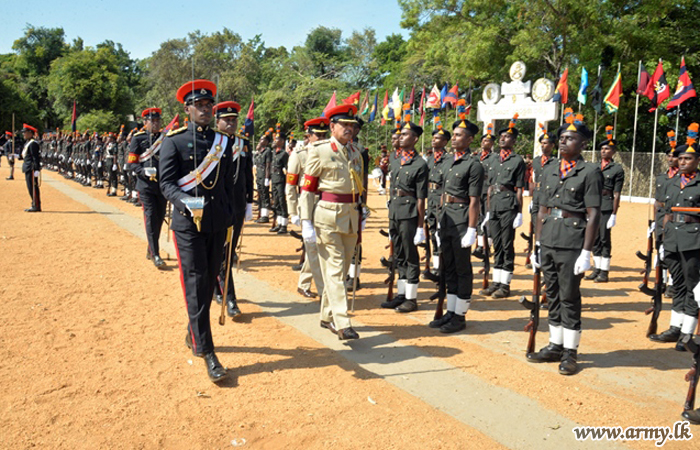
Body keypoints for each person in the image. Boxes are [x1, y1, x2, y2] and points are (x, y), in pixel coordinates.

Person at [159, 79, 236, 383]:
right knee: (196, 281)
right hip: (189, 224)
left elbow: (227, 183)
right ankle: (207, 350)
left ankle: (194, 330)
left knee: (208, 283)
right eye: (199, 106)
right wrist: (187, 202)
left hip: (217, 222)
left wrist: (232, 216)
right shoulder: (173, 141)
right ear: (187, 109)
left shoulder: (223, 142)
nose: (204, 109)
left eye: (208, 106)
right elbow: (166, 184)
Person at [528, 111, 601, 376]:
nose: (562, 142)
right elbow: (541, 209)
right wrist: (536, 245)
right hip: (548, 239)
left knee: (570, 297)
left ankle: (571, 352)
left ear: (582, 144)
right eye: (561, 137)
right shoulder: (548, 169)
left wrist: (586, 252)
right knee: (553, 295)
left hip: (572, 241)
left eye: (570, 138)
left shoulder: (590, 171)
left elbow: (593, 214)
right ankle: (555, 345)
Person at [299, 104, 364, 340]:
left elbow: (358, 184)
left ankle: (326, 316)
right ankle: (342, 321)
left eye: (351, 125)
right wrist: (306, 221)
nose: (349, 129)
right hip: (327, 215)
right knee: (336, 270)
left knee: (343, 268)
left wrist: (362, 211)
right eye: (344, 125)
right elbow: (307, 189)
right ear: (332, 126)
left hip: (351, 216)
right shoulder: (319, 150)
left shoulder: (356, 151)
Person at [429, 116, 483, 333]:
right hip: (447, 217)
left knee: (462, 268)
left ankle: (460, 315)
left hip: (462, 219)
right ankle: (450, 311)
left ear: (469, 139)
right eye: (455, 134)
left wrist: (472, 228)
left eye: (460, 135)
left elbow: (474, 200)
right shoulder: (448, 161)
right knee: (447, 266)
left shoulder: (473, 165)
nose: (454, 138)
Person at [651, 124, 700, 352]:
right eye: (680, 159)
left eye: (688, 159)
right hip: (672, 238)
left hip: (693, 241)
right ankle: (675, 327)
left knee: (692, 285)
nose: (682, 162)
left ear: (697, 161)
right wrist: (660, 241)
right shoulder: (670, 183)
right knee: (677, 284)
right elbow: (665, 214)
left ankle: (688, 332)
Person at [382, 115, 429, 313]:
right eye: (400, 135)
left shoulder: (420, 164)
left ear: (415, 139)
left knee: (410, 254)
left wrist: (420, 226)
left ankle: (411, 297)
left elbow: (420, 198)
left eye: (405, 135)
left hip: (409, 212)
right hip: (395, 210)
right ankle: (401, 294)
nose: (401, 138)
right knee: (399, 252)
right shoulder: (395, 160)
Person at [212, 101, 254, 318]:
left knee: (227, 251)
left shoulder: (242, 143)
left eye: (233, 120)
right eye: (226, 120)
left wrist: (249, 201)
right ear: (216, 121)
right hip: (215, 206)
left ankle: (217, 287)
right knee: (223, 253)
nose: (230, 123)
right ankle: (230, 299)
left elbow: (248, 174)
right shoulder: (210, 141)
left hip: (236, 206)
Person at [481, 114, 526, 299]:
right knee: (496, 244)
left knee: (507, 244)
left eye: (506, 137)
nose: (502, 138)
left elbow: (519, 189)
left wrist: (519, 212)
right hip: (494, 204)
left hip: (508, 205)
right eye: (501, 136)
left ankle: (505, 284)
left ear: (513, 141)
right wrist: (487, 211)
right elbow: (489, 187)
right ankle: (496, 282)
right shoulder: (491, 160)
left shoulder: (517, 161)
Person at [287, 117, 328, 298]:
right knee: (312, 247)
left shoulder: (329, 151)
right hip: (308, 203)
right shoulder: (300, 153)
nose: (320, 138)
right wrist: (293, 212)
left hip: (326, 202)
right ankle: (323, 291)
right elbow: (291, 184)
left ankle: (303, 282)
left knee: (321, 246)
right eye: (316, 135)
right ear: (308, 136)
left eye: (323, 134)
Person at [128, 108, 167, 269]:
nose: (156, 124)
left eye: (158, 121)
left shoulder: (165, 138)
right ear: (145, 123)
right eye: (153, 121)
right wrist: (143, 171)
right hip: (146, 186)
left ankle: (150, 248)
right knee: (150, 217)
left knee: (159, 219)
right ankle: (156, 253)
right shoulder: (138, 139)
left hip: (162, 186)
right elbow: (132, 162)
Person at [585, 126, 624, 283]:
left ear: (613, 152)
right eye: (602, 148)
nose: (603, 151)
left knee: (604, 238)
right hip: (593, 205)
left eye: (607, 149)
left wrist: (614, 214)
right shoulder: (594, 167)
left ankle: (604, 271)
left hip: (606, 206)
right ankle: (596, 268)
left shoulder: (617, 169)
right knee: (593, 238)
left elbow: (617, 193)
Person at [424, 117, 451, 280]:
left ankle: (444, 265)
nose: (434, 140)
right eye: (433, 138)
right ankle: (436, 266)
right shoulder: (429, 159)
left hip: (443, 200)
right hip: (431, 198)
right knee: (433, 232)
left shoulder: (449, 160)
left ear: (445, 141)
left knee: (443, 234)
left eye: (438, 138)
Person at [473, 124, 496, 259]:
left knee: (488, 218)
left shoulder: (494, 158)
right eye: (482, 140)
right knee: (478, 217)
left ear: (492, 144)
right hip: (477, 190)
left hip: (489, 190)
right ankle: (480, 245)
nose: (484, 142)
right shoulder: (476, 157)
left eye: (487, 141)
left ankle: (487, 245)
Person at [269, 128, 289, 234]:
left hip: (281, 179)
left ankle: (284, 225)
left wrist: (288, 184)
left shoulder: (284, 154)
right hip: (275, 179)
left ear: (282, 141)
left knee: (282, 202)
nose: (275, 140)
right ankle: (279, 223)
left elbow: (288, 169)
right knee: (276, 202)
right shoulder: (274, 152)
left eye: (277, 139)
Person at [21, 124, 41, 212]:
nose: (23, 134)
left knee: (33, 187)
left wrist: (37, 169)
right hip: (28, 167)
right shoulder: (28, 143)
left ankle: (36, 205)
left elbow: (35, 157)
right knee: (30, 187)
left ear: (30, 133)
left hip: (32, 168)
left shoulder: (33, 143)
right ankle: (33, 203)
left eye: (25, 133)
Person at [254, 132, 272, 223]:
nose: (261, 141)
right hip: (259, 175)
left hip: (264, 175)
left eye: (263, 140)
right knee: (260, 195)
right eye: (260, 139)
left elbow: (268, 165)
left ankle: (265, 215)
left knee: (265, 195)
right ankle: (261, 214)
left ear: (267, 142)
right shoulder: (259, 151)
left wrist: (267, 178)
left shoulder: (267, 151)